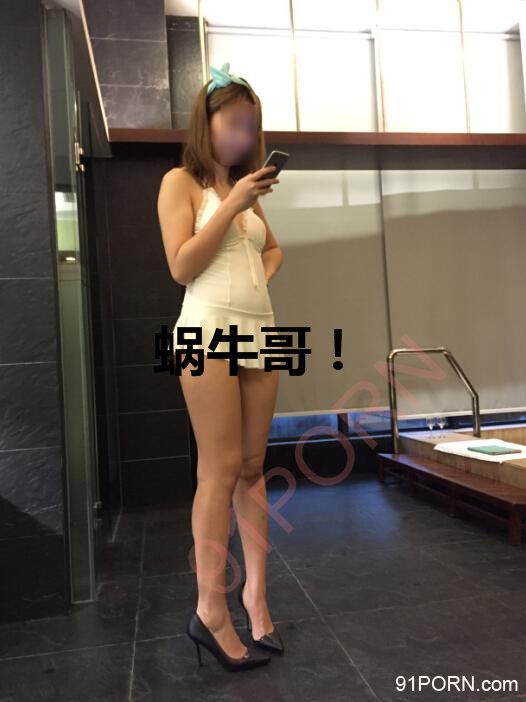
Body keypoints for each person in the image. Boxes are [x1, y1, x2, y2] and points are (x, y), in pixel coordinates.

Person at [157, 63, 284, 672]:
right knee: (220, 468)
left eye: (250, 127)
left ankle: (255, 596)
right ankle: (210, 608)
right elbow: (181, 266)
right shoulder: (180, 182)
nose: (243, 136)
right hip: (202, 331)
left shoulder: (246, 190)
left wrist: (258, 275)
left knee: (254, 468)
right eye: (233, 123)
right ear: (205, 122)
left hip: (262, 331)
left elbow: (273, 248)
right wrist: (232, 202)